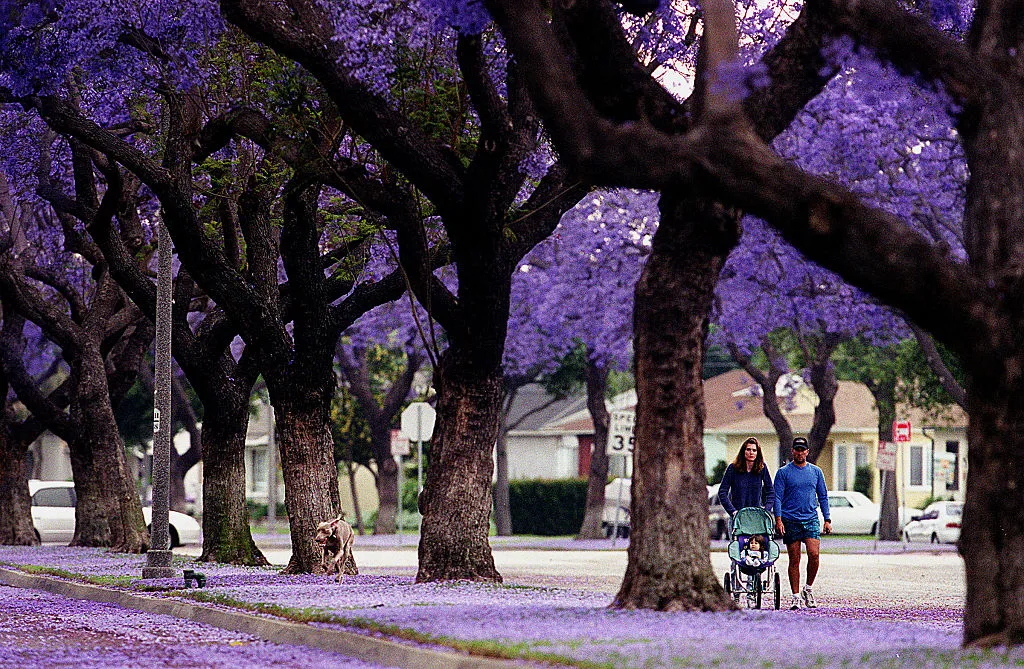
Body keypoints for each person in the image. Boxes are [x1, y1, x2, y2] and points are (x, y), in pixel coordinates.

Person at [773, 436, 831, 610]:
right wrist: (778, 518)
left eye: (802, 450)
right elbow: (777, 497)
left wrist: (827, 518)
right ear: (792, 451)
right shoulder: (783, 473)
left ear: (807, 451)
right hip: (790, 519)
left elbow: (823, 496)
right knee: (794, 558)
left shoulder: (816, 472)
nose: (800, 453)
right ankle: (796, 596)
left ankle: (808, 588)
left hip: (810, 518)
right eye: (797, 449)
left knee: (814, 554)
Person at [718, 437, 775, 519]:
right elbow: (722, 492)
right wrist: (732, 511)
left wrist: (766, 510)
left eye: (754, 450)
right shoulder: (733, 468)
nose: (751, 453)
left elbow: (771, 491)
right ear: (743, 451)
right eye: (748, 449)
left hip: (756, 517)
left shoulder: (762, 468)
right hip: (737, 517)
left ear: (757, 453)